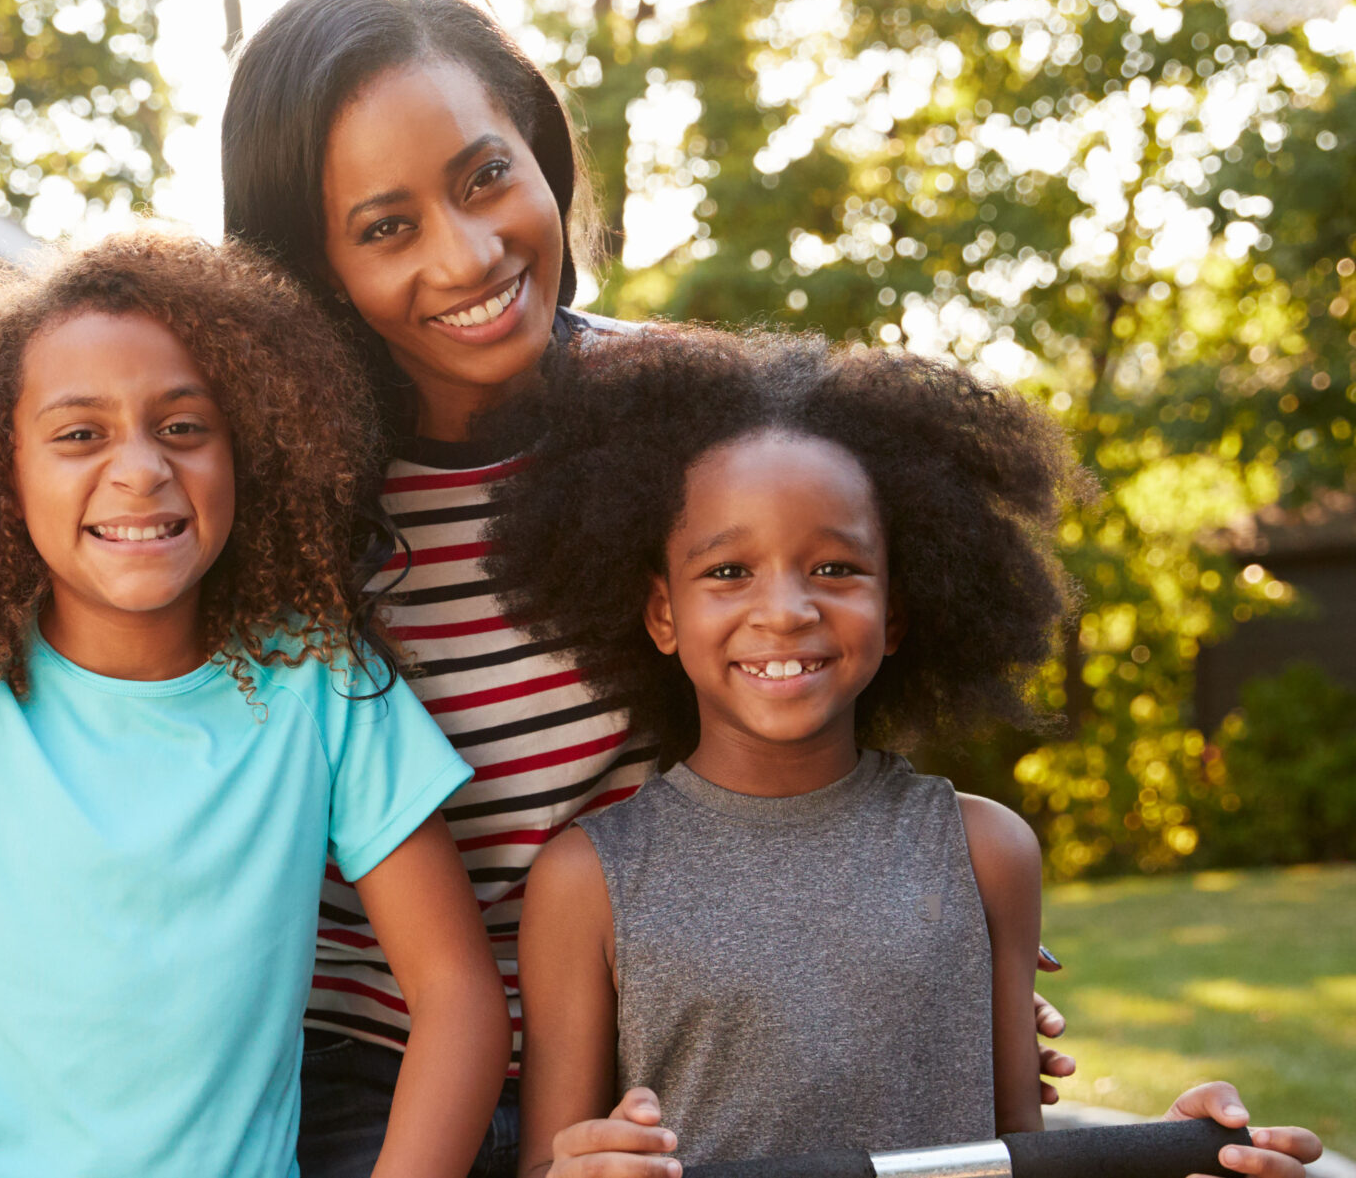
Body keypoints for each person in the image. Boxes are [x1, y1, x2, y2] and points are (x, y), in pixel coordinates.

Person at [0, 0, 1084, 1176]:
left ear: (543, 154)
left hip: (657, 1056)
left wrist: (933, 965)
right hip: (353, 1086)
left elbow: (813, 717)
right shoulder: (254, 476)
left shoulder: (695, 428)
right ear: (309, 268)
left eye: (487, 175)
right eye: (384, 227)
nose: (468, 253)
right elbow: (106, 778)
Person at [0, 233, 512, 1177]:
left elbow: (458, 999)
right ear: (5, 473)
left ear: (250, 451)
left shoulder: (321, 682)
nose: (141, 468)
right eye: (81, 433)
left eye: (184, 426)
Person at [505, 328, 1326, 1178]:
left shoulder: (986, 852)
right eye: (727, 572)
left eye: (834, 566)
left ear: (897, 609)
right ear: (661, 612)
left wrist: (1169, 1157)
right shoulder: (587, 880)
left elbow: (1017, 1155)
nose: (784, 610)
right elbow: (547, 1165)